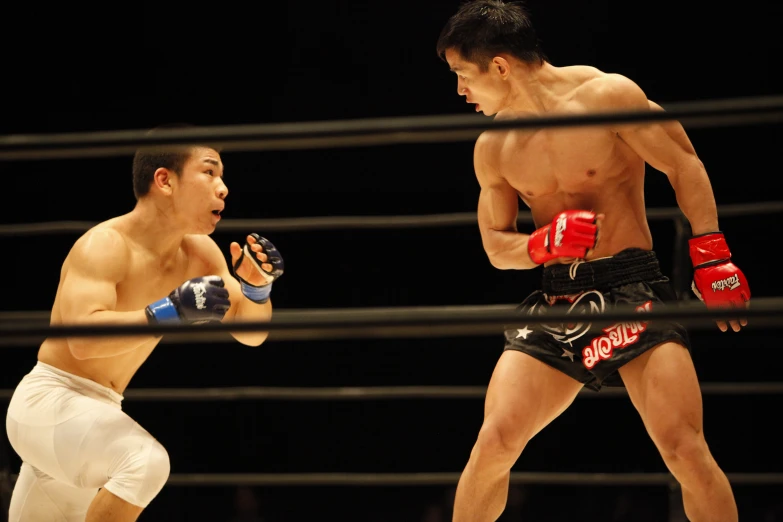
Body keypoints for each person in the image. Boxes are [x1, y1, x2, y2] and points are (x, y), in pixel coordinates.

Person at [435, 2, 750, 521]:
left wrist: (712, 256)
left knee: (685, 450)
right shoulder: (494, 146)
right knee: (492, 444)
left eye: (462, 74)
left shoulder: (608, 96)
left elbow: (683, 162)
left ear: (499, 66)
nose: (460, 91)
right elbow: (495, 246)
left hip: (635, 291)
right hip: (559, 298)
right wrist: (541, 245)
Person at [5, 133, 284, 522]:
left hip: (91, 420)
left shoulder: (201, 254)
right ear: (165, 181)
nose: (223, 188)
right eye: (209, 172)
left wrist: (256, 290)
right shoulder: (104, 244)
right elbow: (83, 343)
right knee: (145, 461)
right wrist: (167, 311)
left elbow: (250, 333)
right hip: (51, 400)